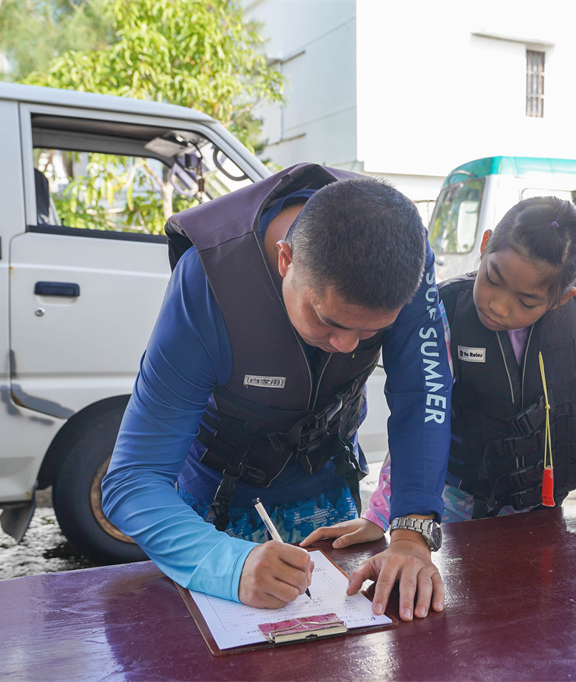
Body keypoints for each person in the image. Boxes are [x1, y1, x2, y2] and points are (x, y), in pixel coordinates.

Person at [102, 164, 451, 622]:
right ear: (286, 259)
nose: (349, 346)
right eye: (330, 321)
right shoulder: (207, 280)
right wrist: (227, 563)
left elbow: (425, 392)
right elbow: (132, 480)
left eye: (372, 332)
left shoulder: (404, 256)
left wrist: (411, 531)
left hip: (330, 497)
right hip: (211, 510)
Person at [303, 196, 576, 547]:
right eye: (493, 278)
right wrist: (380, 515)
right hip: (456, 511)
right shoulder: (444, 311)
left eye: (526, 302)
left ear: (561, 298)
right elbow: (422, 414)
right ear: (485, 246)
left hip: (545, 512)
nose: (499, 305)